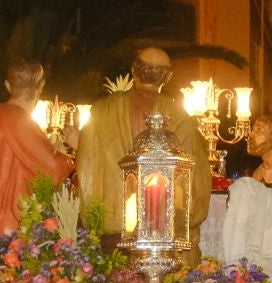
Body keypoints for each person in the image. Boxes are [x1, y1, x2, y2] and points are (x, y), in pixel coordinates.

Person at [75, 48, 209, 233]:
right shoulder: (181, 117)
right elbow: (196, 183)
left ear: (134, 70)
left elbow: (87, 167)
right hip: (161, 230)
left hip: (110, 230)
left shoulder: (102, 111)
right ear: (167, 77)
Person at [0, 59, 75, 244]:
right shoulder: (18, 120)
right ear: (41, 86)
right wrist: (74, 149)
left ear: (8, 86)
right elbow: (53, 169)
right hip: (11, 225)